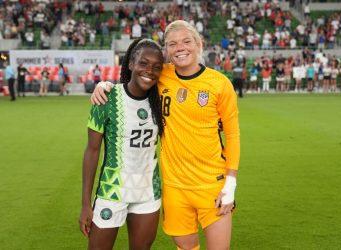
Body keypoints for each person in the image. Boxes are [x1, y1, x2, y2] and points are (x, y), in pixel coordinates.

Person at [91, 20, 240, 250]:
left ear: (198, 44)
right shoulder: (161, 74)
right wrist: (105, 85)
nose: (180, 47)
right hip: (175, 188)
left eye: (186, 41)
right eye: (172, 44)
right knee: (186, 247)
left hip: (212, 184)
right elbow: (135, 78)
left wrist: (230, 185)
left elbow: (233, 136)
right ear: (167, 51)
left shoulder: (220, 84)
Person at [79, 39, 164, 250]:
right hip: (112, 190)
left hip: (147, 191)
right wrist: (85, 204)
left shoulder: (161, 100)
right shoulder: (106, 98)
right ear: (130, 64)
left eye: (156, 67)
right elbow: (92, 150)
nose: (149, 71)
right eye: (143, 63)